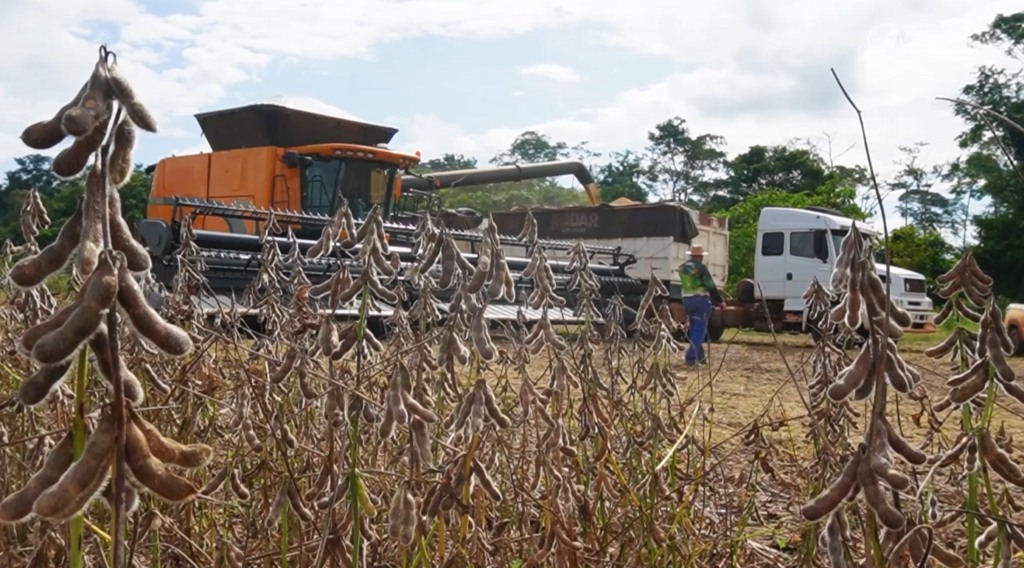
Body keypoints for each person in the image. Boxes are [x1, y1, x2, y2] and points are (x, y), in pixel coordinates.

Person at [677, 244, 724, 366]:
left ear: (691, 255)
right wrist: (720, 301)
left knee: (694, 329)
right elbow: (710, 285)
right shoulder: (701, 268)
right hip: (700, 300)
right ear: (700, 256)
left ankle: (701, 357)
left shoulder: (682, 268)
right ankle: (691, 358)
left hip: (686, 300)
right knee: (700, 330)